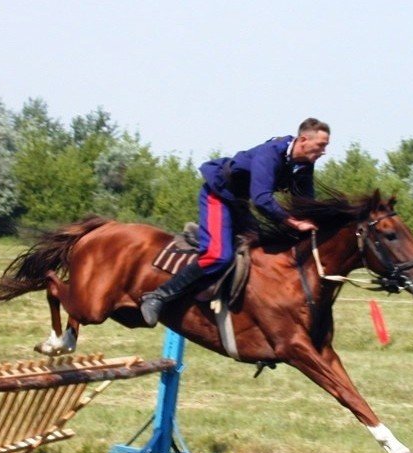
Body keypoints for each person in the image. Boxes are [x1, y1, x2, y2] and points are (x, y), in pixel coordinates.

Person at [140, 117, 330, 327]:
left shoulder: (303, 166)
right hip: (218, 196)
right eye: (321, 145)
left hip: (238, 203)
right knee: (219, 256)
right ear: (303, 139)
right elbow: (261, 199)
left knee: (261, 253)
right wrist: (294, 223)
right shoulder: (270, 154)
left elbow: (306, 202)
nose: (324, 151)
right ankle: (158, 296)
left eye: (326, 146)